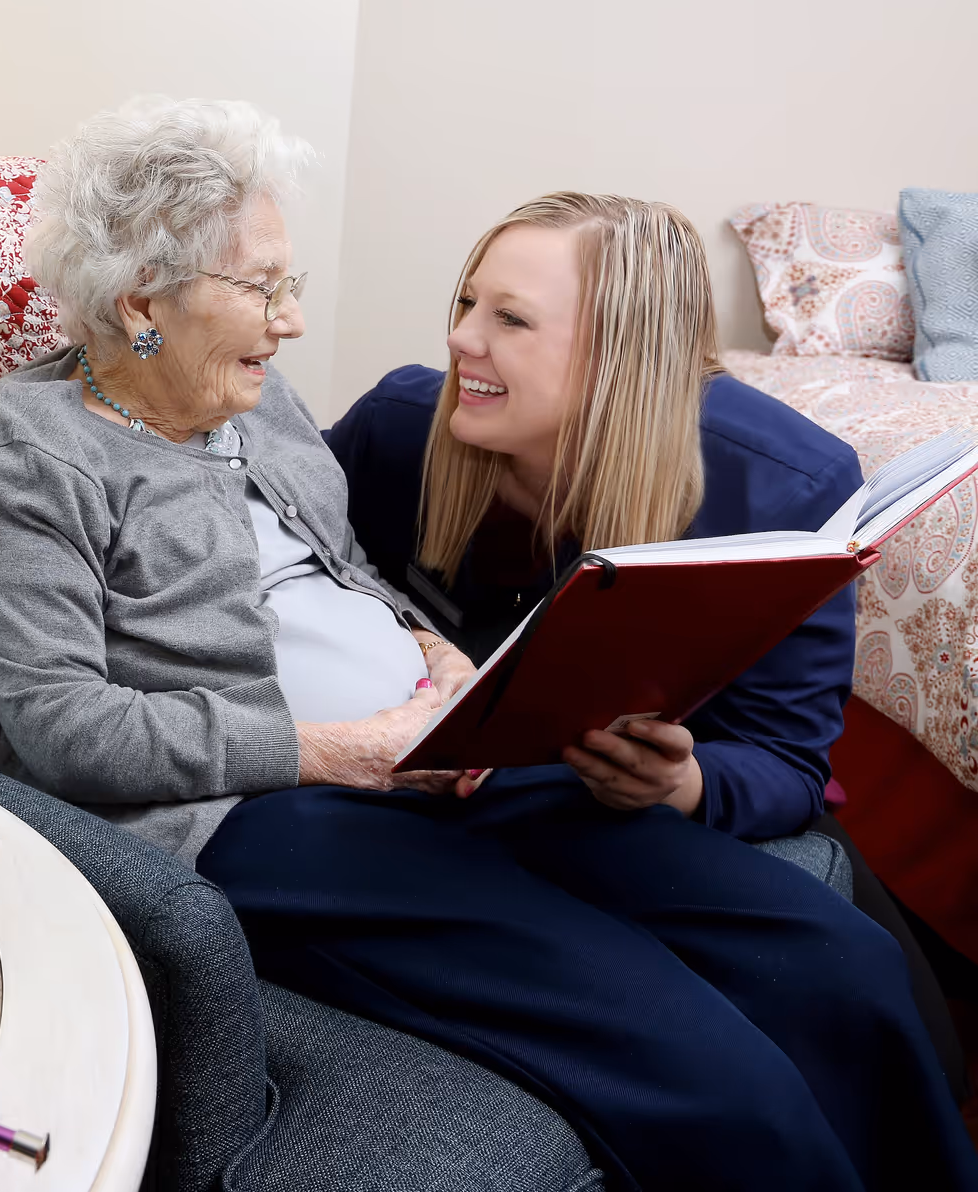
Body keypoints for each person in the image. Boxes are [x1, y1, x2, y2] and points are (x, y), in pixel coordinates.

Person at [0, 98, 977, 1190]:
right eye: (262, 288)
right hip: (261, 814)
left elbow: (340, 574)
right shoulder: (34, 448)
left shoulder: (255, 398)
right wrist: (349, 747)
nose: (292, 321)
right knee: (694, 1055)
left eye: (289, 284)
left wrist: (433, 656)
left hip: (440, 754)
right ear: (142, 297)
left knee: (840, 961)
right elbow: (59, 722)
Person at [199, 191, 978, 1189]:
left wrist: (681, 782)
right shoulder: (401, 426)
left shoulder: (781, 485)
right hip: (398, 792)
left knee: (852, 969)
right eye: (466, 301)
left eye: (510, 319)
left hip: (591, 799)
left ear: (622, 353)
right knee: (691, 1042)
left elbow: (788, 761)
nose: (461, 338)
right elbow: (284, 569)